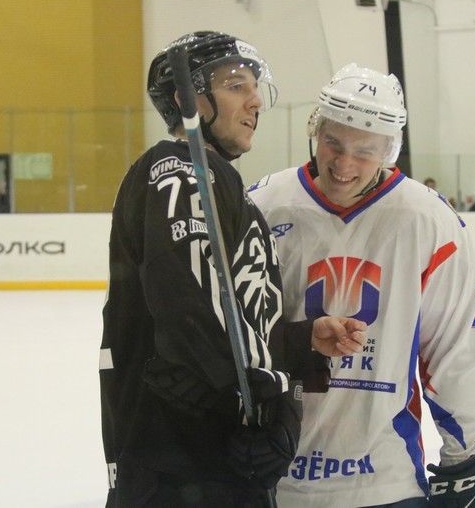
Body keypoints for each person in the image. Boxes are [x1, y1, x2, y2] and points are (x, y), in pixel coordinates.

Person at [99, 32, 368, 507]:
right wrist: (271, 396)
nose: (256, 101)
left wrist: (298, 341)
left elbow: (221, 313)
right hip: (182, 467)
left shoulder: (209, 177)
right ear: (188, 99)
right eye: (236, 86)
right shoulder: (180, 173)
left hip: (205, 463)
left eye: (255, 87)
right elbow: (190, 309)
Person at [249, 64, 475, 507]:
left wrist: (467, 458)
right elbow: (232, 336)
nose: (344, 164)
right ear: (315, 130)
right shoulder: (264, 205)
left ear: (390, 150)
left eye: (365, 151)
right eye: (333, 142)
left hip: (386, 482)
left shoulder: (429, 221)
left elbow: (456, 350)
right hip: (273, 478)